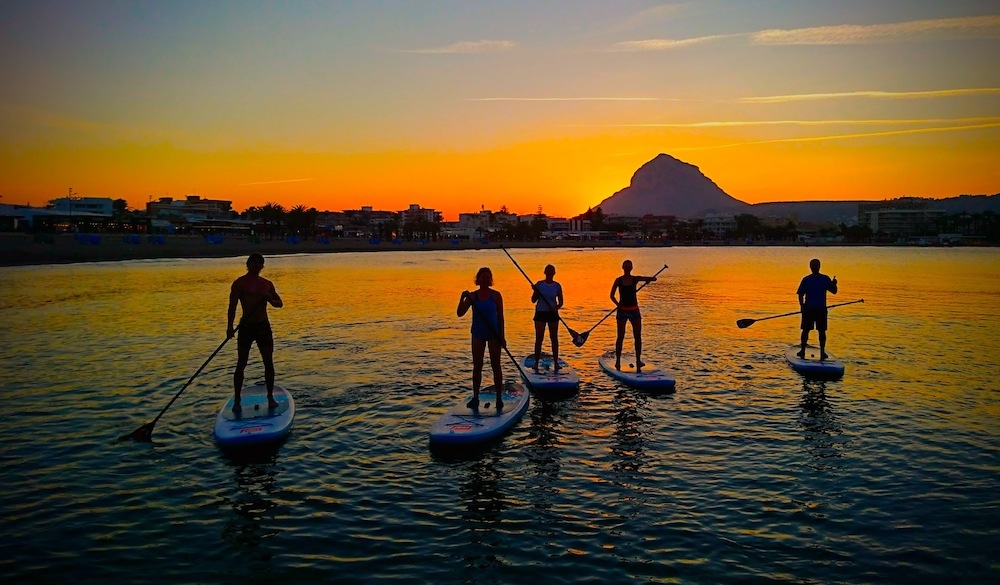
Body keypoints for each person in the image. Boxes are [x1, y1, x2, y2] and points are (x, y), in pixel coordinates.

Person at [227, 253, 283, 413]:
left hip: (263, 326)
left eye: (260, 264)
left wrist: (269, 299)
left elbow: (279, 303)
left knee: (268, 362)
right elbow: (232, 306)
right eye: (255, 263)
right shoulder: (240, 283)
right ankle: (237, 401)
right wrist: (229, 327)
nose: (258, 266)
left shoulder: (266, 284)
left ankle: (270, 398)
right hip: (246, 327)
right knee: (241, 363)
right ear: (248, 264)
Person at [456, 267, 506, 411]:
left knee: (496, 366)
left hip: (494, 334)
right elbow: (460, 313)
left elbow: (501, 318)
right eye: (482, 277)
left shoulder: (496, 296)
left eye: (487, 277)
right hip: (477, 334)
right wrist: (462, 299)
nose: (484, 280)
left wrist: (502, 336)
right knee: (477, 366)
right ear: (477, 279)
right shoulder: (473, 296)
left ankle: (499, 399)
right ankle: (476, 397)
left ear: (490, 280)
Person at [610, 259, 657, 372]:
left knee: (637, 336)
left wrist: (649, 280)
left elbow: (652, 278)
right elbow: (611, 295)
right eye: (625, 266)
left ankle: (638, 360)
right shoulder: (618, 280)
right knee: (620, 336)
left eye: (629, 266)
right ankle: (617, 361)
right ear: (623, 267)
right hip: (622, 311)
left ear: (631, 268)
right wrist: (618, 304)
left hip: (634, 310)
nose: (627, 268)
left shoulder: (635, 279)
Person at [796, 258, 838, 360]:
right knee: (805, 330)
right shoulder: (806, 279)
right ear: (810, 267)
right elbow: (800, 293)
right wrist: (802, 306)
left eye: (816, 265)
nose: (815, 267)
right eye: (813, 265)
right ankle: (802, 350)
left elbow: (834, 291)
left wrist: (834, 284)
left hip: (821, 310)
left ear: (819, 266)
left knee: (822, 332)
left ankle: (822, 352)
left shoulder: (825, 279)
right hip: (808, 309)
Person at [531, 264, 564, 374]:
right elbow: (533, 300)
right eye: (548, 271)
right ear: (545, 272)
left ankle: (556, 362)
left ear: (554, 273)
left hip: (552, 314)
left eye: (551, 271)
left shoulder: (557, 286)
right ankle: (535, 363)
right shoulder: (539, 284)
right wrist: (535, 290)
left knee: (554, 338)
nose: (550, 273)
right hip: (540, 313)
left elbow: (561, 302)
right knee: (539, 338)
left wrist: (556, 307)